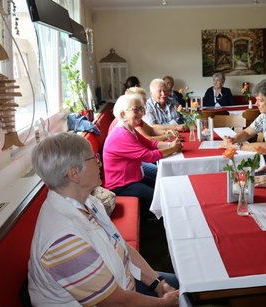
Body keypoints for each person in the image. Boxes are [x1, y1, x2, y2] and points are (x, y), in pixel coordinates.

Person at [28, 132, 179, 306]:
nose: (99, 162)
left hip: (121, 283)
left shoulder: (86, 201)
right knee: (184, 295)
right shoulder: (63, 241)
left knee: (182, 285)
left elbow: (122, 246)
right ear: (74, 174)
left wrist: (158, 283)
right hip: (115, 298)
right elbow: (115, 302)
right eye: (93, 158)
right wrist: (165, 303)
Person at [103, 94, 182, 217]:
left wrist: (170, 144)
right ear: (123, 114)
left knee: (163, 186)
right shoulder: (121, 134)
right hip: (121, 186)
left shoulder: (129, 129)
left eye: (141, 109)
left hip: (133, 178)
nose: (141, 113)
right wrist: (172, 149)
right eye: (136, 110)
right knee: (161, 198)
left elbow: (150, 144)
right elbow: (148, 156)